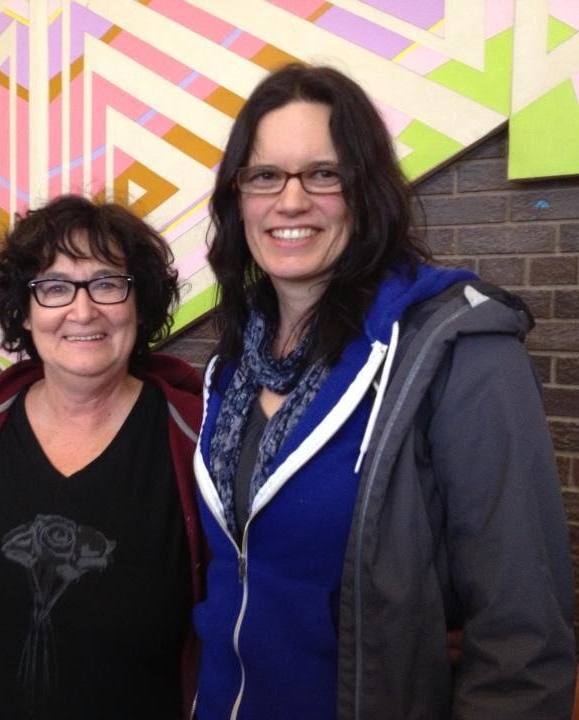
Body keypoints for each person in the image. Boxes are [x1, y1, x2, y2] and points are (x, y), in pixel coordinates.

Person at [193, 63, 575, 719]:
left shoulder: (458, 348)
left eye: (324, 173)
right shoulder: (230, 364)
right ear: (237, 197)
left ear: (367, 189)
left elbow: (523, 641)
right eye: (264, 176)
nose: (290, 201)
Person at [0, 195, 205, 719]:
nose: (82, 310)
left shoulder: (196, 441)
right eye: (55, 287)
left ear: (141, 301)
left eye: (107, 283)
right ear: (25, 308)